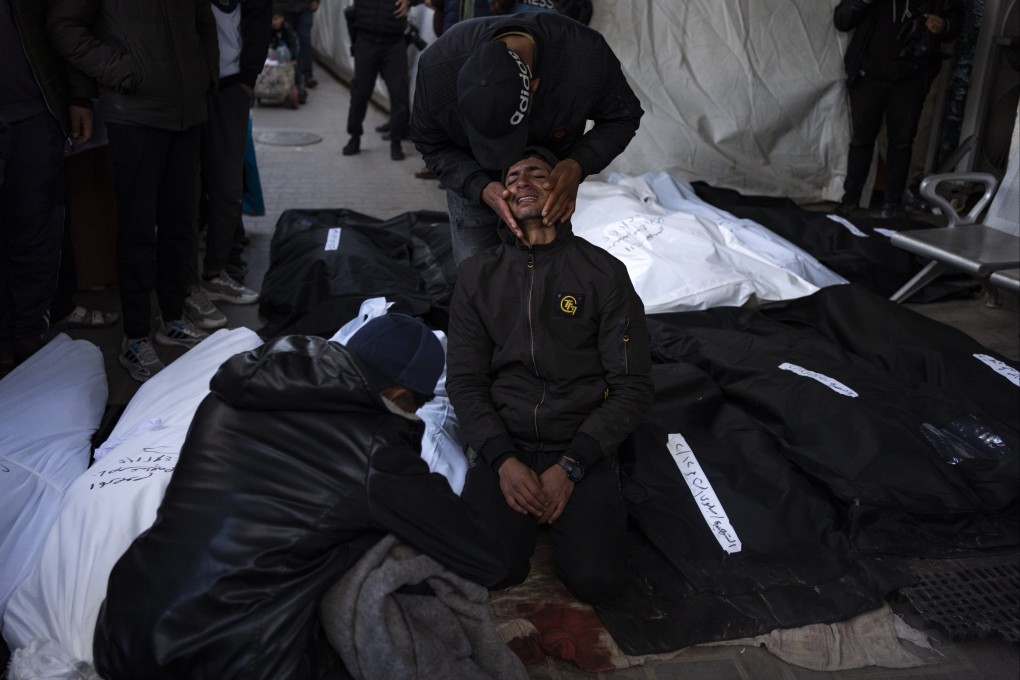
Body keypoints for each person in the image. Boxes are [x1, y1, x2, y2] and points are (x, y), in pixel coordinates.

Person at [92, 313, 508, 679]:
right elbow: (483, 558)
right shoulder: (375, 450)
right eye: (415, 407)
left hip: (119, 632)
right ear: (398, 398)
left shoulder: (229, 396)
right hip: (230, 661)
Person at [445, 147, 653, 603]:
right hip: (509, 438)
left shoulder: (603, 274)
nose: (521, 182)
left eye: (537, 175)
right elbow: (465, 380)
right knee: (489, 569)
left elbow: (632, 387)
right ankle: (521, 505)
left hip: (577, 440)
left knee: (598, 583)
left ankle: (577, 499)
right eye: (512, 176)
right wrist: (502, 460)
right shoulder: (477, 275)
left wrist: (573, 466)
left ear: (564, 190)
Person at [47, 0, 219, 382]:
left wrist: (204, 75)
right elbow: (64, 25)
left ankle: (172, 318)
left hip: (186, 111)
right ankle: (136, 336)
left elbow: (203, 25)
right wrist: (123, 71)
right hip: (135, 113)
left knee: (181, 222)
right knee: (138, 231)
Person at [411, 10, 643, 265]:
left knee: (548, 272)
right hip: (474, 173)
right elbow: (431, 143)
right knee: (474, 275)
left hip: (547, 184)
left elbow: (623, 116)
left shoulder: (586, 58)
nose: (516, 180)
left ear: (533, 87)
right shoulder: (438, 69)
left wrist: (578, 164)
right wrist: (478, 186)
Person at [1, 0, 94, 378]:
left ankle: (27, 340)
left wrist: (78, 95)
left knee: (36, 231)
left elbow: (61, 22)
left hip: (34, 112)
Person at [186, 0, 271, 332]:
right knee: (186, 192)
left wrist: (249, 76)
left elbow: (259, 26)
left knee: (227, 186)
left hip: (232, 85)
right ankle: (186, 283)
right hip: (189, 88)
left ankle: (216, 271)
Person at [834, 0, 963, 219]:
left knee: (902, 142)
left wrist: (943, 26)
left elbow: (955, 22)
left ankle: (892, 204)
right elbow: (842, 20)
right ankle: (850, 199)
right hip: (869, 74)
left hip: (911, 75)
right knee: (861, 139)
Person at [342, 0, 420, 161]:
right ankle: (354, 137)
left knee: (399, 95)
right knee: (360, 93)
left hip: (394, 42)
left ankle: (396, 142)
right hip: (366, 39)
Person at [278, 0, 319, 90]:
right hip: (284, 7)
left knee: (304, 39)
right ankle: (288, 73)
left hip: (304, 6)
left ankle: (307, 74)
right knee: (286, 40)